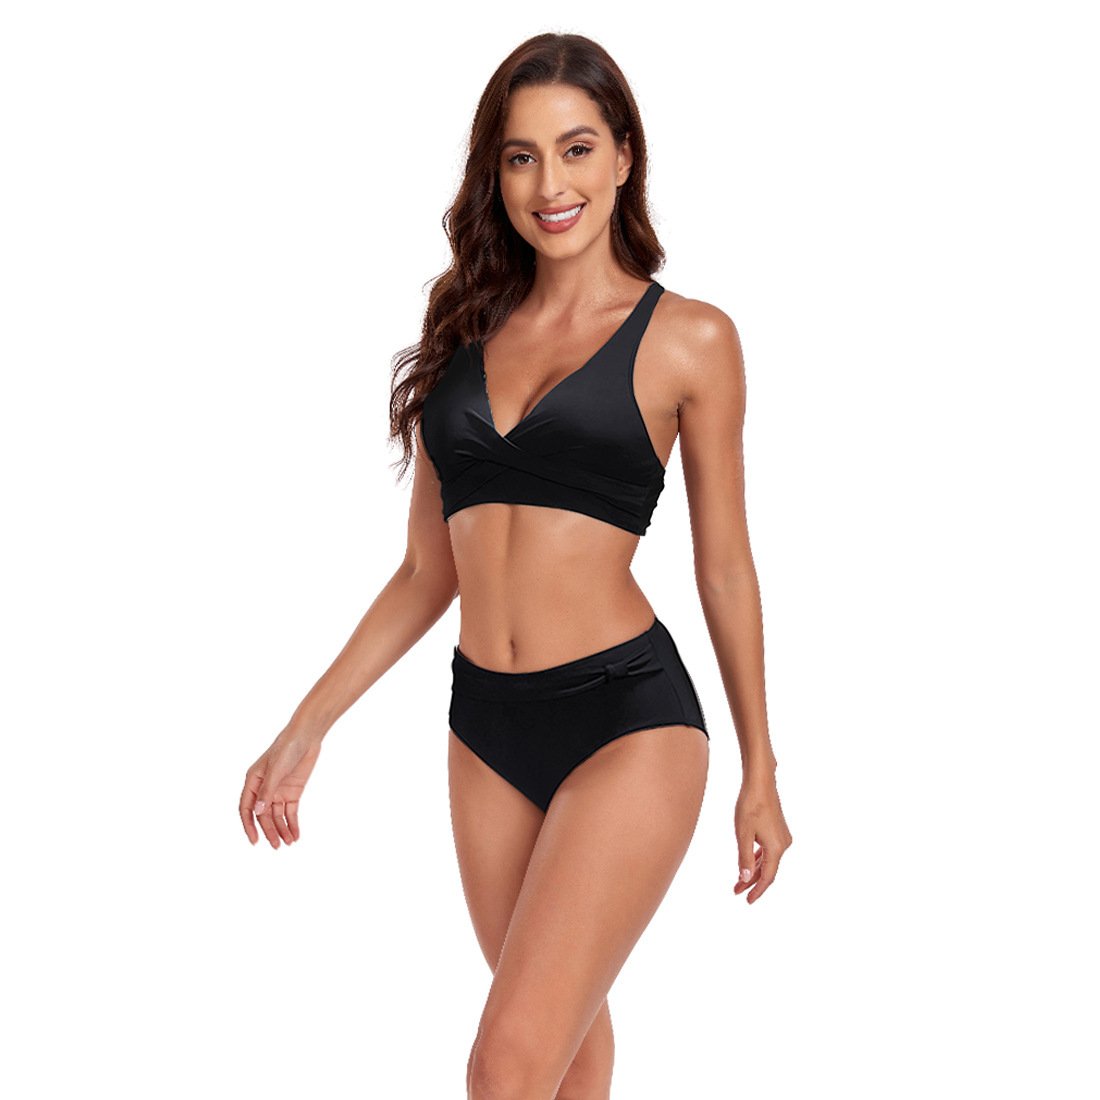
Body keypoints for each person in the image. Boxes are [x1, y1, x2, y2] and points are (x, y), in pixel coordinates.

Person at [239, 31, 791, 1099]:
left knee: (504, 1066)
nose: (550, 185)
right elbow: (424, 572)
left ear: (623, 156)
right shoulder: (464, 335)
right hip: (484, 726)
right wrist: (307, 725)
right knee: (564, 1051)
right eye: (521, 156)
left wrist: (759, 768)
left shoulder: (691, 339)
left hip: (628, 720)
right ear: (494, 174)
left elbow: (725, 568)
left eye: (576, 149)